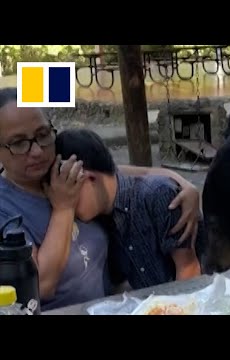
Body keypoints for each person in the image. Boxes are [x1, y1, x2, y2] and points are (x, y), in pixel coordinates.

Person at [0, 87, 201, 311]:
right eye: (18, 143)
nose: (37, 151)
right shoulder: (7, 208)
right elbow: (41, 284)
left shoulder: (59, 170)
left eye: (42, 134)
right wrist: (64, 208)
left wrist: (183, 184)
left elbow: (113, 175)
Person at [55, 128, 206, 291]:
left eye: (70, 191)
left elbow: (188, 270)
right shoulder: (101, 219)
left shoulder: (159, 197)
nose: (66, 202)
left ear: (88, 177)